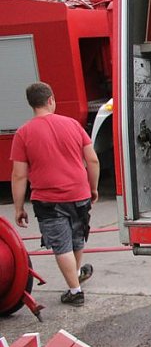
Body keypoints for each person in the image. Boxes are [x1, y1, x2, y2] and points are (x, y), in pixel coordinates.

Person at [10, 81, 100, 306]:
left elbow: (19, 175)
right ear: (50, 99)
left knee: (62, 244)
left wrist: (18, 207)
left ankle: (75, 289)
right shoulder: (72, 124)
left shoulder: (23, 133)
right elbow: (92, 159)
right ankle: (75, 278)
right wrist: (93, 188)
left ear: (32, 104)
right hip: (79, 194)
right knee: (77, 238)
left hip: (48, 200)